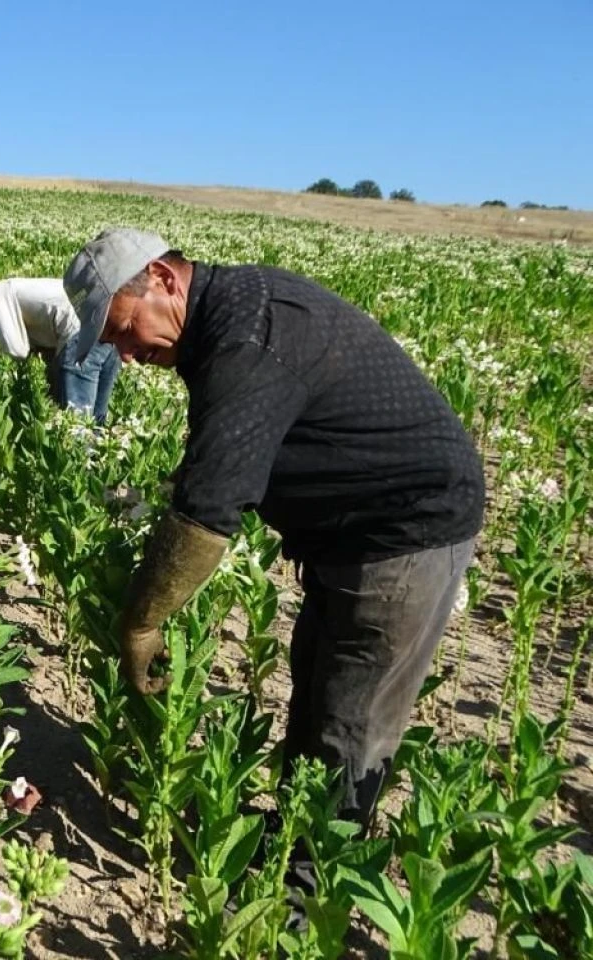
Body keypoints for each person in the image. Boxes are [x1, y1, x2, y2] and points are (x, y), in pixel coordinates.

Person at [63, 227, 484, 836]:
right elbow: (237, 444)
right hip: (352, 535)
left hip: (405, 530)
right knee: (317, 686)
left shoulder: (247, 335)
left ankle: (315, 874)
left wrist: (141, 622)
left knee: (352, 716)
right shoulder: (227, 315)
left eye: (124, 328)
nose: (125, 354)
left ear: (162, 278)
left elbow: (211, 508)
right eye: (111, 342)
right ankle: (292, 840)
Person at [0, 278, 122, 425]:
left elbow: (17, 350)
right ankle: (95, 452)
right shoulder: (12, 297)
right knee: (96, 419)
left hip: (80, 331)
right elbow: (46, 345)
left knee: (77, 419)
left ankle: (80, 452)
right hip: (105, 324)